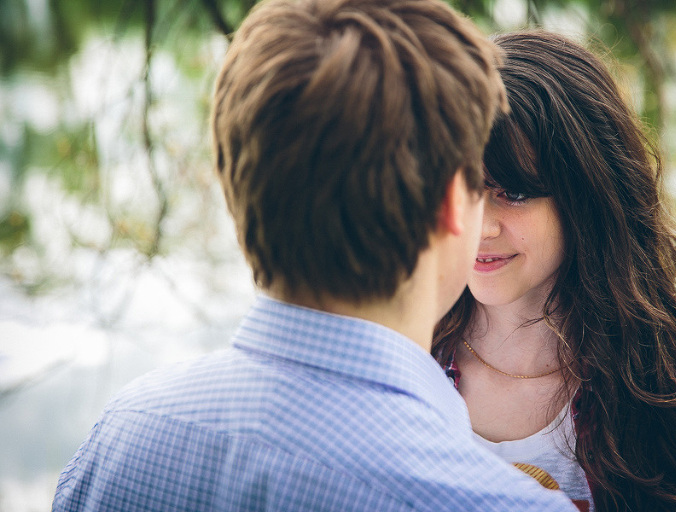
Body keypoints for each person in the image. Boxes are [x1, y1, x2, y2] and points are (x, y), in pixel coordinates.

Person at [52, 2, 577, 511]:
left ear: (238, 186)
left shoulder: (120, 438)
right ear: (450, 206)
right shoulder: (492, 501)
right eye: (476, 185)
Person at [433, 31, 676, 512]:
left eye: (513, 192)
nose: (479, 225)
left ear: (587, 195)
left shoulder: (674, 405)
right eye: (462, 187)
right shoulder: (401, 357)